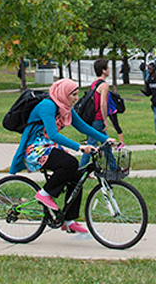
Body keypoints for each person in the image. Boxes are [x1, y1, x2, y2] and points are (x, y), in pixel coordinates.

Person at [9, 78, 113, 234]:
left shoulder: (64, 108)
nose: (76, 98)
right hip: (35, 150)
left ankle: (68, 221)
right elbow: (53, 134)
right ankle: (44, 194)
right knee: (70, 163)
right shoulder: (48, 106)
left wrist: (106, 139)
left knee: (77, 176)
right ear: (64, 94)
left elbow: (83, 126)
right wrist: (80, 147)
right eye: (74, 94)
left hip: (49, 147)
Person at [80, 59, 122, 167]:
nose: (109, 70)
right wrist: (105, 120)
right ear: (103, 70)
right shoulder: (104, 85)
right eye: (108, 68)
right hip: (98, 119)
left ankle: (114, 168)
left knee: (106, 144)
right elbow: (103, 104)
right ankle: (80, 169)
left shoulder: (94, 83)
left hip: (93, 118)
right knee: (91, 145)